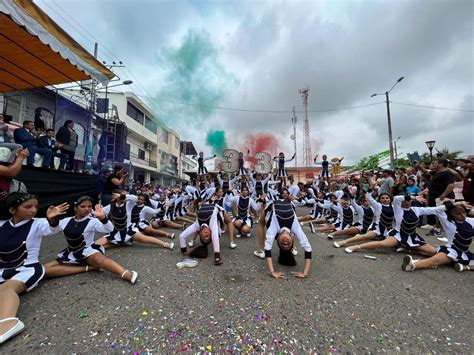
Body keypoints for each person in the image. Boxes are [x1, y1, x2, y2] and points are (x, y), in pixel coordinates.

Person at [0, 193, 69, 344]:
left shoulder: (37, 223)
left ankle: (8, 324)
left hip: (27, 268)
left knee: (6, 289)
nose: (33, 210)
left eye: (36, 207)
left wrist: (52, 219)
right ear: (13, 210)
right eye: (28, 207)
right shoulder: (2, 224)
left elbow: (53, 230)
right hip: (3, 269)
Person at [43, 196, 138, 283]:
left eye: (89, 206)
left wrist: (103, 218)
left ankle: (125, 273)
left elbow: (110, 229)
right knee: (45, 270)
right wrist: (52, 220)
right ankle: (89, 268)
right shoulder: (66, 221)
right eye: (83, 206)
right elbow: (53, 230)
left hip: (88, 252)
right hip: (71, 253)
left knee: (99, 259)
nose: (87, 209)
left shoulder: (92, 221)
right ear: (75, 208)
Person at [401, 201, 473, 272]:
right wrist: (459, 203)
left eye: (464, 212)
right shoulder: (447, 222)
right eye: (458, 214)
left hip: (465, 253)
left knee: (434, 255)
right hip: (452, 251)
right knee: (433, 260)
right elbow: (438, 209)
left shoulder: (470, 221)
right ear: (451, 214)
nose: (463, 215)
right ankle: (411, 265)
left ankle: (464, 267)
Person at [258, 195, 312, 278]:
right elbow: (308, 248)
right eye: (288, 244)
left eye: (283, 244)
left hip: (270, 206)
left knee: (261, 223)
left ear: (278, 238)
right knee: (292, 205)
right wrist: (305, 273)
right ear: (292, 239)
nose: (285, 242)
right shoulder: (295, 227)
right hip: (290, 204)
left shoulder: (273, 229)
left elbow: (268, 248)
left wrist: (272, 272)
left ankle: (260, 249)